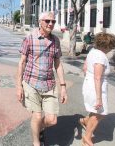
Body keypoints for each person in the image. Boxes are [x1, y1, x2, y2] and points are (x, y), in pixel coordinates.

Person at [16, 11, 68, 146]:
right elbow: (22, 62)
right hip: (31, 82)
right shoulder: (30, 38)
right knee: (37, 116)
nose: (51, 24)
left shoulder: (55, 40)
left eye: (53, 21)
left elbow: (58, 64)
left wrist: (63, 87)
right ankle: (36, 142)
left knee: (52, 120)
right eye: (47, 21)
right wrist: (18, 86)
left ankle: (38, 128)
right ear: (40, 22)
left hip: (49, 84)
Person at [80, 32, 115, 146]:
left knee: (95, 111)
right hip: (96, 87)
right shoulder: (101, 56)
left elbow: (85, 67)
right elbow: (97, 77)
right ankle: (87, 137)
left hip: (89, 84)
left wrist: (88, 73)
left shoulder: (92, 51)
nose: (111, 49)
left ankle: (85, 121)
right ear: (106, 45)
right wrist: (99, 98)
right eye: (111, 46)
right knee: (100, 113)